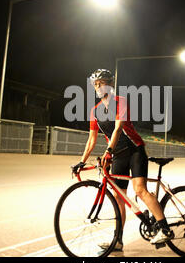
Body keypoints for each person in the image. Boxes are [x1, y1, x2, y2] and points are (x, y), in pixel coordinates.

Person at [71, 69, 174, 251]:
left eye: (101, 83)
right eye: (95, 84)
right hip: (117, 155)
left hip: (135, 150)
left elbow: (118, 128)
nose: (97, 87)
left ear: (110, 84)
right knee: (119, 197)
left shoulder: (121, 102)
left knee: (140, 190)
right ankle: (117, 241)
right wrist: (81, 161)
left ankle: (165, 229)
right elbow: (91, 140)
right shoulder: (94, 111)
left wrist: (108, 150)